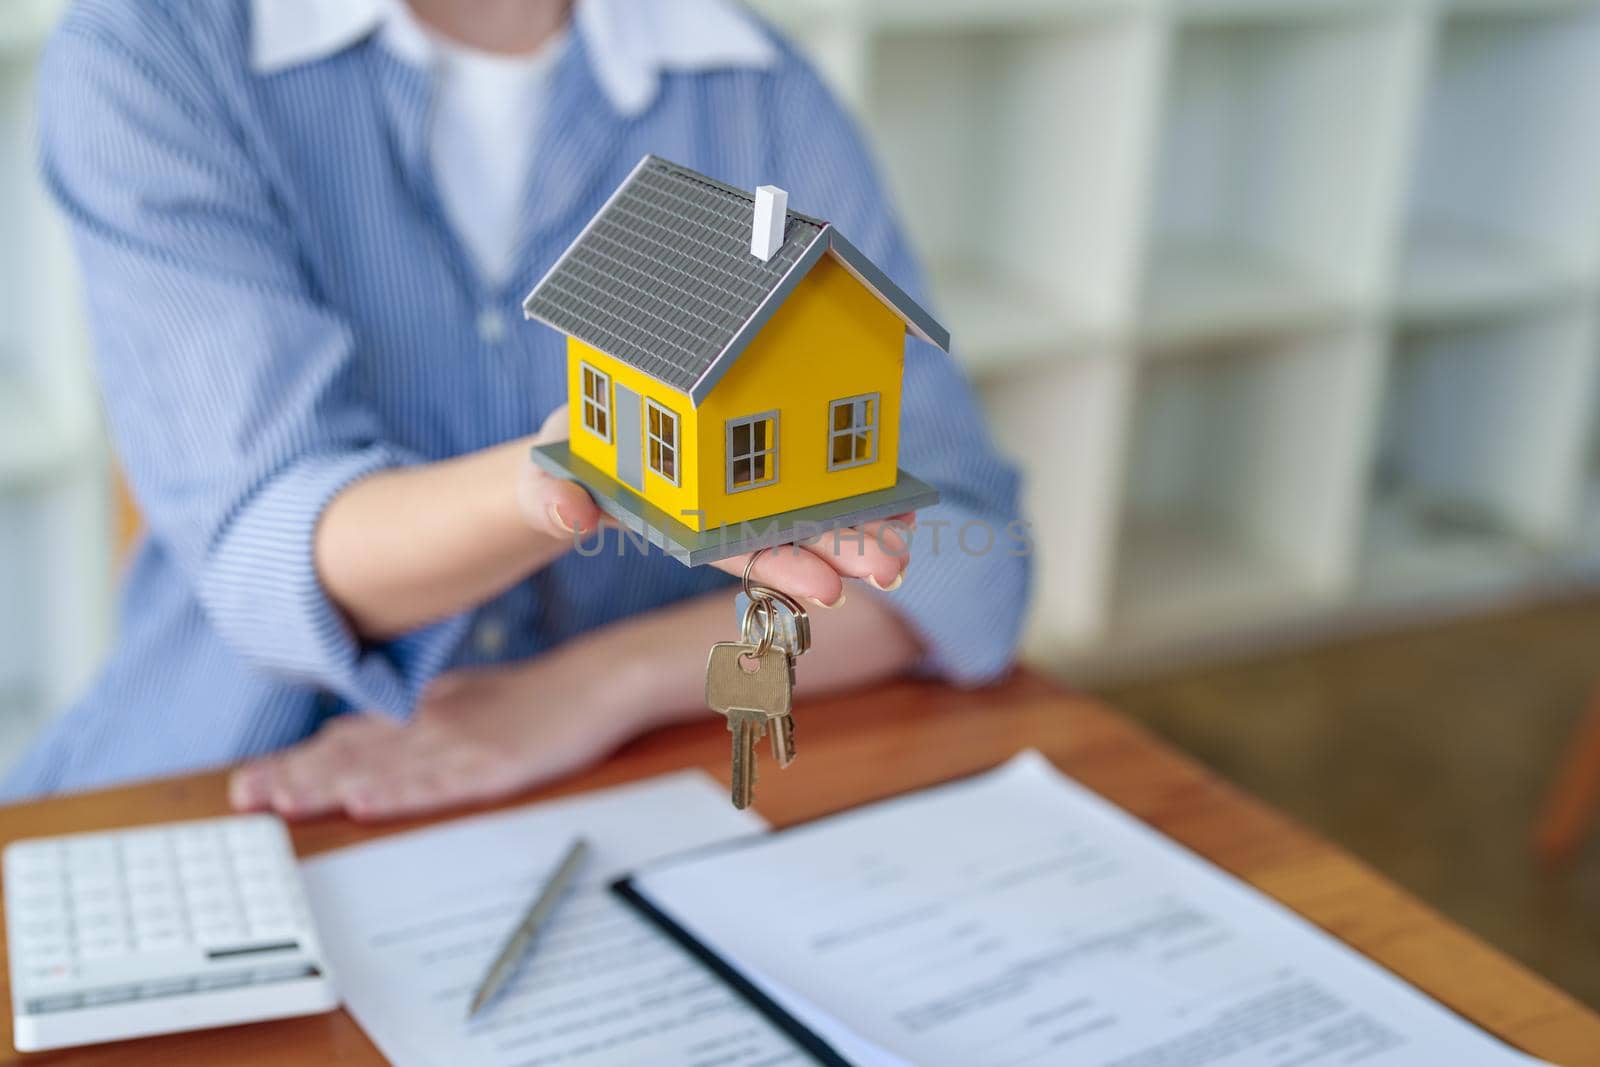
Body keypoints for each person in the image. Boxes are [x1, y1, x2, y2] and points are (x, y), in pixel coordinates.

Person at [5, 0, 1028, 818]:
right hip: (239, 776)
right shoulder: (157, 45)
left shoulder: (757, 89)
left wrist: (594, 685)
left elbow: (965, 567)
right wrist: (572, 471)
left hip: (640, 779)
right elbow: (273, 558)